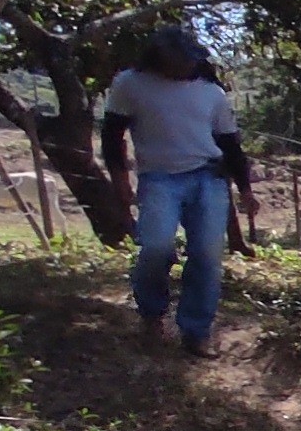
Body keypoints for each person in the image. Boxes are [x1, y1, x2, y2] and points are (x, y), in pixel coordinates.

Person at [101, 26, 258, 354]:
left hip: (208, 177)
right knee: (156, 247)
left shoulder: (211, 93)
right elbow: (112, 135)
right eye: (179, 60)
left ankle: (196, 331)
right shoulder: (131, 84)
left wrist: (245, 189)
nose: (186, 66)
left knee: (207, 256)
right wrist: (119, 181)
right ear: (160, 59)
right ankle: (152, 313)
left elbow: (229, 143)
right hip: (159, 178)